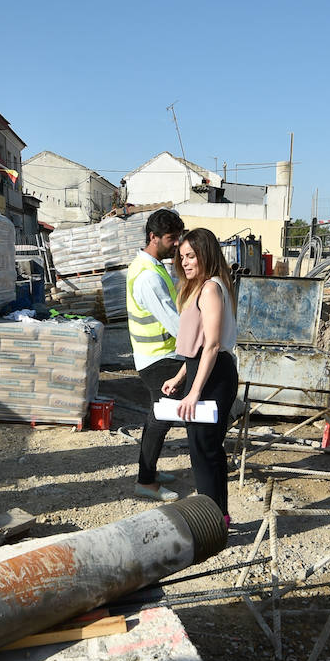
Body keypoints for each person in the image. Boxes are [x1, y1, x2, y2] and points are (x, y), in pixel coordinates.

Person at [160, 228, 239, 524]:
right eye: (183, 257)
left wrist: (193, 391)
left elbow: (213, 345)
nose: (186, 262)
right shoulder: (205, 286)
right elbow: (198, 346)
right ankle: (219, 515)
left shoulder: (210, 288)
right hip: (204, 370)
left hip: (214, 375)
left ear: (206, 254)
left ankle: (213, 519)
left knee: (204, 450)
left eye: (191, 256)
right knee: (206, 448)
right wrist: (180, 378)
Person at [126, 208, 186, 502]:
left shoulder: (152, 267)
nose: (177, 244)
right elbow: (173, 321)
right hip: (158, 358)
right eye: (171, 239)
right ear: (154, 237)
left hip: (157, 355)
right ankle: (145, 482)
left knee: (156, 418)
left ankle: (147, 474)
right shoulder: (148, 276)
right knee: (162, 417)